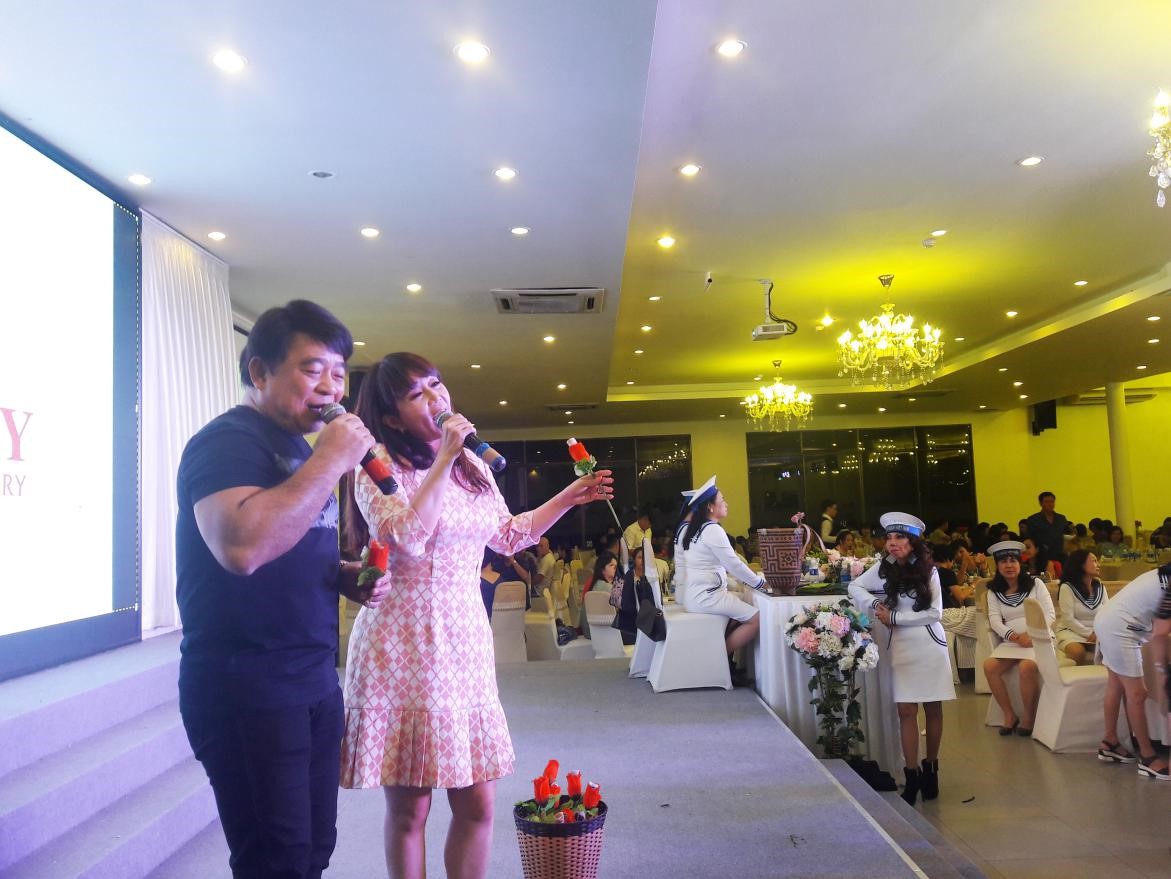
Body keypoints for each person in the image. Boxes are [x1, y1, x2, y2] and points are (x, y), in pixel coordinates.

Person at [338, 352, 613, 879]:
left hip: (464, 638)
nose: (436, 398)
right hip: (402, 643)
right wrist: (444, 457)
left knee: (478, 803)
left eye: (436, 384)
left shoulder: (474, 463)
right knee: (411, 809)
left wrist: (567, 498)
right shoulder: (375, 464)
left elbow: (507, 535)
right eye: (417, 393)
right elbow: (408, 537)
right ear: (391, 416)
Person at [176, 299, 393, 879]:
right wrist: (329, 462)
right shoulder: (226, 443)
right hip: (248, 686)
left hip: (312, 678)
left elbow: (289, 542)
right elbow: (242, 548)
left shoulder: (302, 447)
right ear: (259, 371)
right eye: (312, 369)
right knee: (276, 862)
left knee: (314, 850)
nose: (330, 387)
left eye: (339, 373)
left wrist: (342, 575)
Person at [848, 513, 955, 806]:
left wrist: (895, 617)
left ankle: (931, 767)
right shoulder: (883, 568)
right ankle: (912, 773)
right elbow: (854, 586)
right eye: (889, 538)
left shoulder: (929, 570)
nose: (892, 543)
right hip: (901, 648)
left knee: (932, 708)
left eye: (899, 538)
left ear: (913, 542)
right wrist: (876, 604)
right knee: (906, 710)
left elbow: (935, 613)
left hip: (929, 644)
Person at [679, 476, 766, 675]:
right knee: (757, 619)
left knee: (744, 603)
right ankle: (716, 660)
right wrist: (759, 583)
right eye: (722, 499)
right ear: (710, 507)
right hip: (707, 597)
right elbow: (733, 564)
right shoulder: (712, 530)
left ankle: (728, 662)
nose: (726, 504)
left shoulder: (698, 529)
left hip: (698, 595)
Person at [1093, 566, 1171, 778]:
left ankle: (1110, 742)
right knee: (1137, 694)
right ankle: (1147, 757)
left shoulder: (1164, 576)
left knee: (1116, 685)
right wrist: (1162, 670)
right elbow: (1161, 633)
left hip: (1111, 621)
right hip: (1120, 628)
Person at [982, 540, 1055, 737]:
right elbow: (995, 621)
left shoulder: (1036, 584)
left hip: (1039, 639)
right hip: (1012, 642)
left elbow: (1050, 614)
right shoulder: (993, 590)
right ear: (997, 566)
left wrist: (1031, 634)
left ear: (1019, 563)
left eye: (1013, 561)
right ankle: (1009, 714)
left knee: (1026, 667)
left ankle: (1029, 718)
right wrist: (1015, 637)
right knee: (989, 667)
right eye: (1003, 561)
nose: (1009, 565)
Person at [1054, 550, 1108, 665]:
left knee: (1113, 649)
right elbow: (1068, 619)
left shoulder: (1100, 587)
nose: (1098, 564)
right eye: (1094, 561)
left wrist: (1099, 632)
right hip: (1071, 632)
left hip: (1096, 633)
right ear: (1081, 564)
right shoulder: (1066, 587)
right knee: (1077, 652)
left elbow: (1108, 614)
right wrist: (1090, 633)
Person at [616, 544, 657, 645]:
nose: (643, 560)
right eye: (639, 557)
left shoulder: (651, 576)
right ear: (634, 560)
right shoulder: (628, 576)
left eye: (645, 557)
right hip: (631, 626)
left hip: (646, 620)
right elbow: (620, 602)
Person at [578, 551, 619, 638]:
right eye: (611, 565)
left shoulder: (594, 583)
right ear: (602, 569)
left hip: (588, 631)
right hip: (602, 632)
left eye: (616, 566)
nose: (615, 568)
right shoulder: (608, 588)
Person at [1025, 492, 1068, 567]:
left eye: (1052, 501)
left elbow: (1066, 536)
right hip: (1041, 556)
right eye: (1047, 502)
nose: (1050, 504)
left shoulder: (1061, 518)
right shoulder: (1033, 519)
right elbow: (1029, 539)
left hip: (1060, 556)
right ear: (1040, 503)